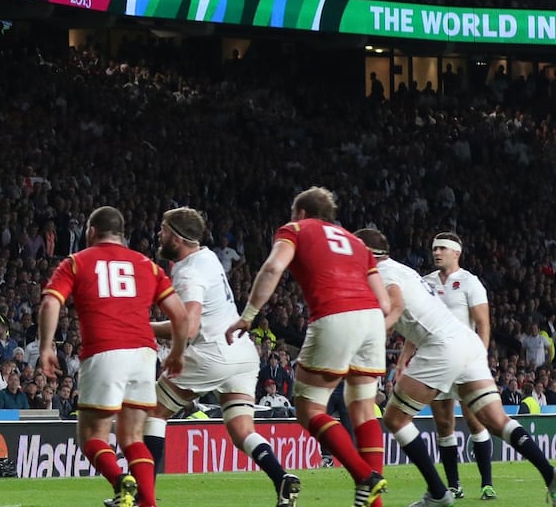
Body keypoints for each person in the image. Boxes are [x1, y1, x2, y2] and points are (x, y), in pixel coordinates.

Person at [354, 228, 556, 507]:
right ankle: (550, 475)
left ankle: (439, 492)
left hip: (440, 346)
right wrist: (402, 358)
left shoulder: (383, 274)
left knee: (395, 418)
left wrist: (369, 335)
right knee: (496, 421)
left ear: (367, 252)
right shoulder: (406, 271)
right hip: (465, 344)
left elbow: (397, 307)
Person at [226, 187, 390, 507]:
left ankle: (365, 476)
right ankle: (373, 503)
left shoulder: (295, 229)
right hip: (372, 319)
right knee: (363, 410)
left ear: (301, 212)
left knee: (309, 408)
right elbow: (384, 302)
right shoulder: (356, 242)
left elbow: (273, 268)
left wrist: (248, 315)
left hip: (334, 314)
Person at [143, 207, 299, 507]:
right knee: (242, 431)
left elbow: (188, 328)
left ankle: (142, 497)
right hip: (241, 352)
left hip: (211, 353)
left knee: (153, 413)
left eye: (163, 230)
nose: (159, 235)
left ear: (177, 237)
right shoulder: (208, 257)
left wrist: (143, 327)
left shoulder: (188, 272)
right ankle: (281, 478)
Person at [38, 206, 189, 507]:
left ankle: (121, 482)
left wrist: (46, 347)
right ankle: (148, 503)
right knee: (133, 437)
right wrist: (176, 352)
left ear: (92, 231)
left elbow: (50, 303)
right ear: (121, 234)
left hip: (104, 351)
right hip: (144, 354)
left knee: (92, 435)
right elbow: (180, 315)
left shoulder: (76, 262)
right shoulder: (147, 265)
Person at [423, 232, 496, 500]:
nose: (437, 252)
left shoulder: (470, 282)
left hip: (465, 361)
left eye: (442, 248)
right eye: (435, 248)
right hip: (437, 362)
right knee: (444, 424)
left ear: (456, 253)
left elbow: (483, 323)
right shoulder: (426, 283)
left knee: (475, 420)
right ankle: (454, 485)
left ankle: (487, 483)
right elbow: (419, 321)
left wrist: (481, 357)